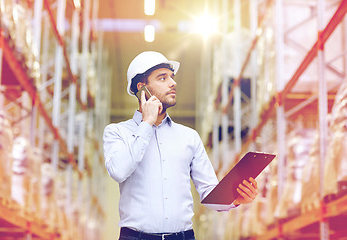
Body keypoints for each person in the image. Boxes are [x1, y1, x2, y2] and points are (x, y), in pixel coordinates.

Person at [103, 51, 258, 240]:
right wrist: (147, 123)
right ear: (142, 88)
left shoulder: (189, 137)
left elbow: (209, 192)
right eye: (163, 78)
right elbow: (119, 171)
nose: (173, 83)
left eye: (172, 77)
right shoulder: (117, 132)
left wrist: (234, 198)